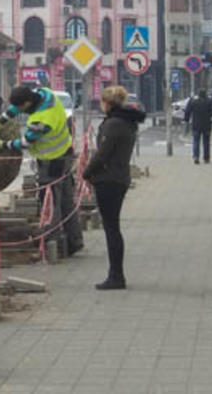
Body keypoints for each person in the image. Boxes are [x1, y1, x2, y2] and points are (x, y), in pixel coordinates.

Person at [0, 84, 83, 256]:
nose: (19, 110)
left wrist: (2, 144)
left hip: (53, 160)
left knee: (51, 202)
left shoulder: (41, 119)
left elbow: (26, 142)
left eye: (20, 107)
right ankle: (74, 240)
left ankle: (53, 243)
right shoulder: (46, 94)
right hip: (64, 154)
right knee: (66, 200)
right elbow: (14, 108)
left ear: (26, 103)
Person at [82, 86, 145, 290]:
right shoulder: (127, 122)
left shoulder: (113, 124)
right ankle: (116, 274)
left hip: (108, 179)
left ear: (107, 103)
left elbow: (102, 154)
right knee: (113, 227)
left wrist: (86, 171)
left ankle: (116, 276)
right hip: (119, 177)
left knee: (111, 228)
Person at [184, 89, 212, 164]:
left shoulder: (194, 102)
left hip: (196, 125)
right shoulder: (209, 102)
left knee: (196, 141)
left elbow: (187, 111)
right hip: (206, 125)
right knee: (206, 142)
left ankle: (196, 157)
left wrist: (186, 120)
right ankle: (206, 158)